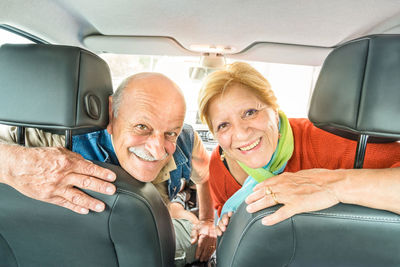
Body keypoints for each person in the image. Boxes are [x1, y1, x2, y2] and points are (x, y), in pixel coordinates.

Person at [0, 72, 216, 265]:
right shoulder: (59, 140)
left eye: (170, 133)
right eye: (142, 127)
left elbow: (204, 178)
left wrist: (207, 221)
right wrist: (17, 163)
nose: (158, 150)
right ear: (112, 113)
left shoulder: (187, 141)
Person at [197, 61, 400, 235]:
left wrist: (331, 186)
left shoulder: (325, 142)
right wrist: (230, 225)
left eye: (250, 112)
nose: (241, 134)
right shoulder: (220, 163)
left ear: (274, 111)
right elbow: (224, 211)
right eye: (223, 125)